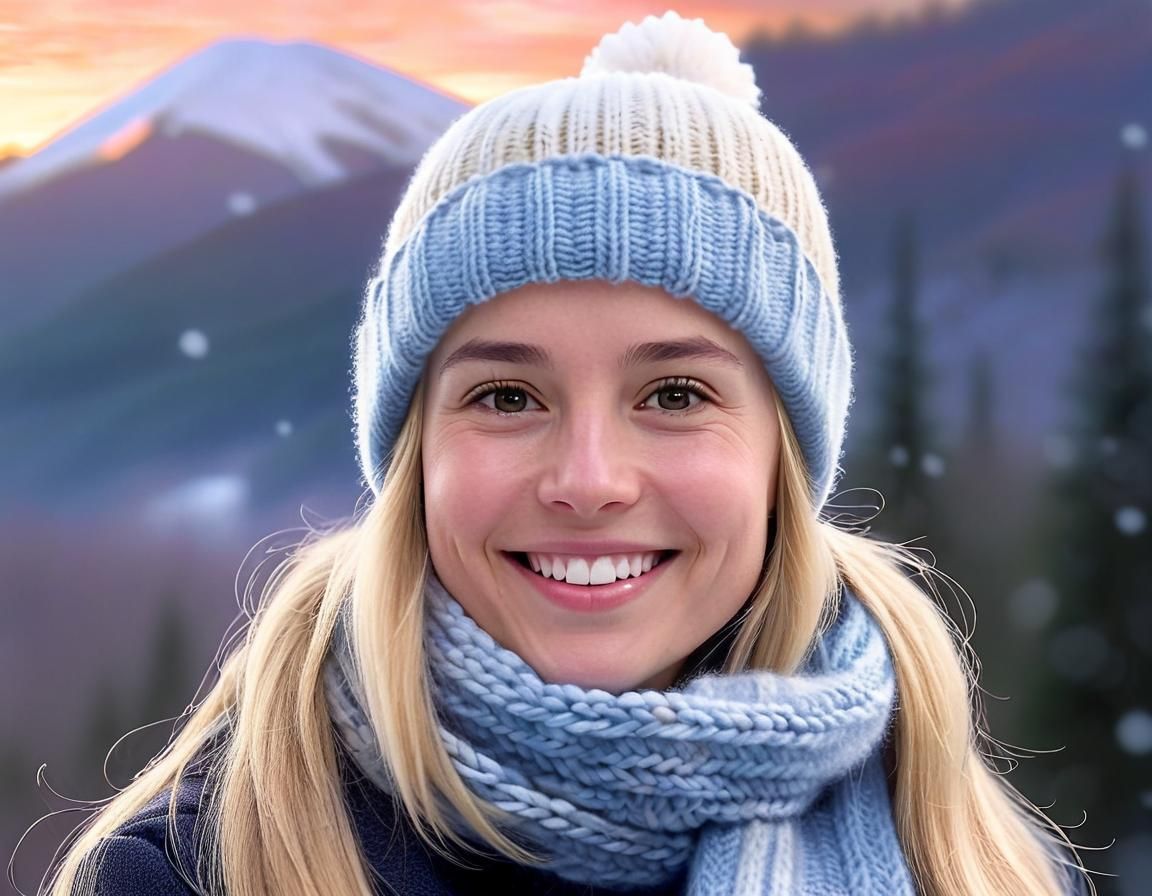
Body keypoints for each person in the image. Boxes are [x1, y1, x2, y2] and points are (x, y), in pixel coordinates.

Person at [41, 11, 1090, 896]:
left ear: (784, 454)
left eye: (675, 393)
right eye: (507, 395)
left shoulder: (966, 855)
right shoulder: (209, 869)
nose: (589, 478)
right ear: (415, 453)